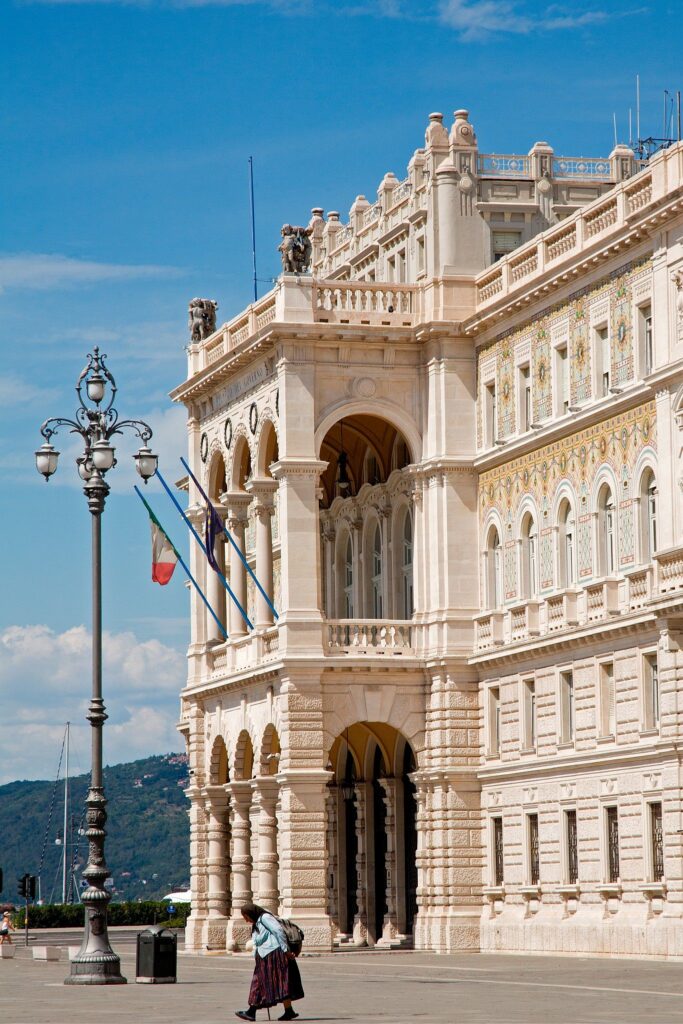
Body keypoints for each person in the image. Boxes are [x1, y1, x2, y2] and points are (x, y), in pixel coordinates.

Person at [235, 903, 304, 1022]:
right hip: (265, 956)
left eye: (246, 916)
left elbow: (278, 931)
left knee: (261, 983)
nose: (246, 920)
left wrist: (286, 950)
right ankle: (289, 1011)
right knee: (279, 982)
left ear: (251, 913)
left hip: (274, 954)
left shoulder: (264, 918)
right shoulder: (257, 922)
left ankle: (251, 1012)